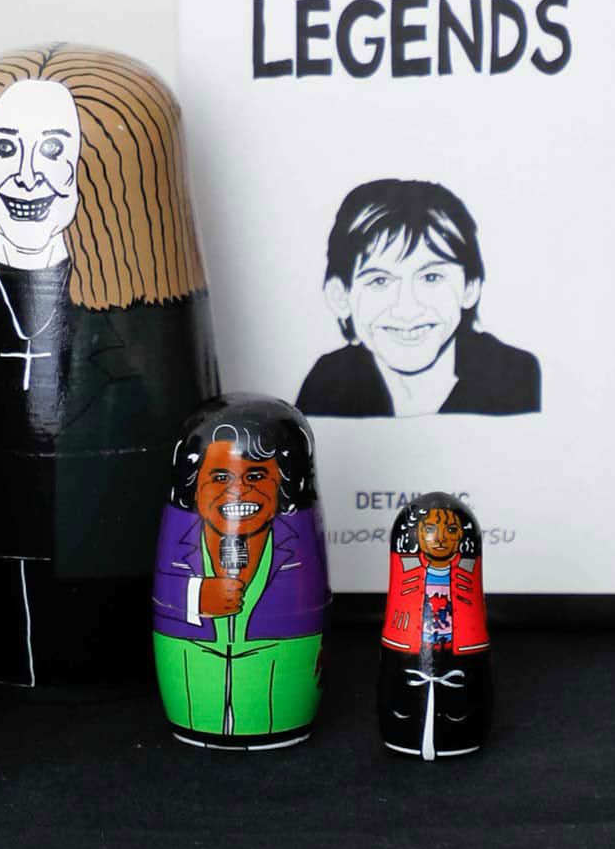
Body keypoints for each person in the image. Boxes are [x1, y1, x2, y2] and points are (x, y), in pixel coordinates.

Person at [0, 44, 220, 686]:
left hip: (108, 617)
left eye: (54, 151)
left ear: (93, 174)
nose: (27, 176)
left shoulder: (140, 327)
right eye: (4, 149)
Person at [152, 397, 330, 749]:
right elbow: (165, 591)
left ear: (283, 482)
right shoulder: (181, 536)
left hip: (276, 674)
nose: (239, 490)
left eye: (257, 475)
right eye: (220, 477)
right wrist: (197, 597)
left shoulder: (298, 541)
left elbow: (310, 599)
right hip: (190, 666)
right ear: (194, 484)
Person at [296, 178, 540, 418]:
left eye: (431, 278)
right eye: (379, 281)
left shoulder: (514, 376)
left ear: (470, 288)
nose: (407, 309)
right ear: (340, 297)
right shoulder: (328, 381)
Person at [377, 494, 492, 759]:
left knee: (460, 705)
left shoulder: (467, 570)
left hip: (462, 652)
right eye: (430, 529)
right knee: (404, 703)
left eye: (450, 530)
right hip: (406, 651)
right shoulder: (406, 568)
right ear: (418, 533)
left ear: (460, 536)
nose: (439, 538)